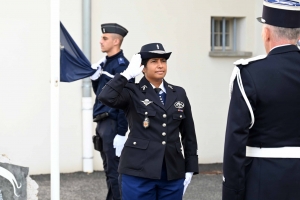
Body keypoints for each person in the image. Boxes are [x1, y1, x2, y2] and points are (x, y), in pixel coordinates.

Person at [98, 43, 199, 200]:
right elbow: (105, 96)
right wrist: (126, 75)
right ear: (142, 67)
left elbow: (189, 134)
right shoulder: (132, 91)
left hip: (172, 172)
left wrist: (190, 167)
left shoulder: (178, 93)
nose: (160, 65)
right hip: (138, 172)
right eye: (154, 61)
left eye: (163, 61)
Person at [222, 1, 300, 200]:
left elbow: (235, 141)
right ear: (298, 35)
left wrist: (232, 193)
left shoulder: (249, 73)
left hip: (264, 179)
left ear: (266, 33)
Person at [91, 23, 130, 200]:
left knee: (115, 173)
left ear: (116, 41)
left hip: (112, 124)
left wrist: (121, 132)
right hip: (102, 122)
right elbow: (101, 95)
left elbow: (124, 102)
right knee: (109, 171)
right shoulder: (106, 63)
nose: (100, 41)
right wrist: (94, 79)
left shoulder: (121, 67)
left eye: (104, 38)